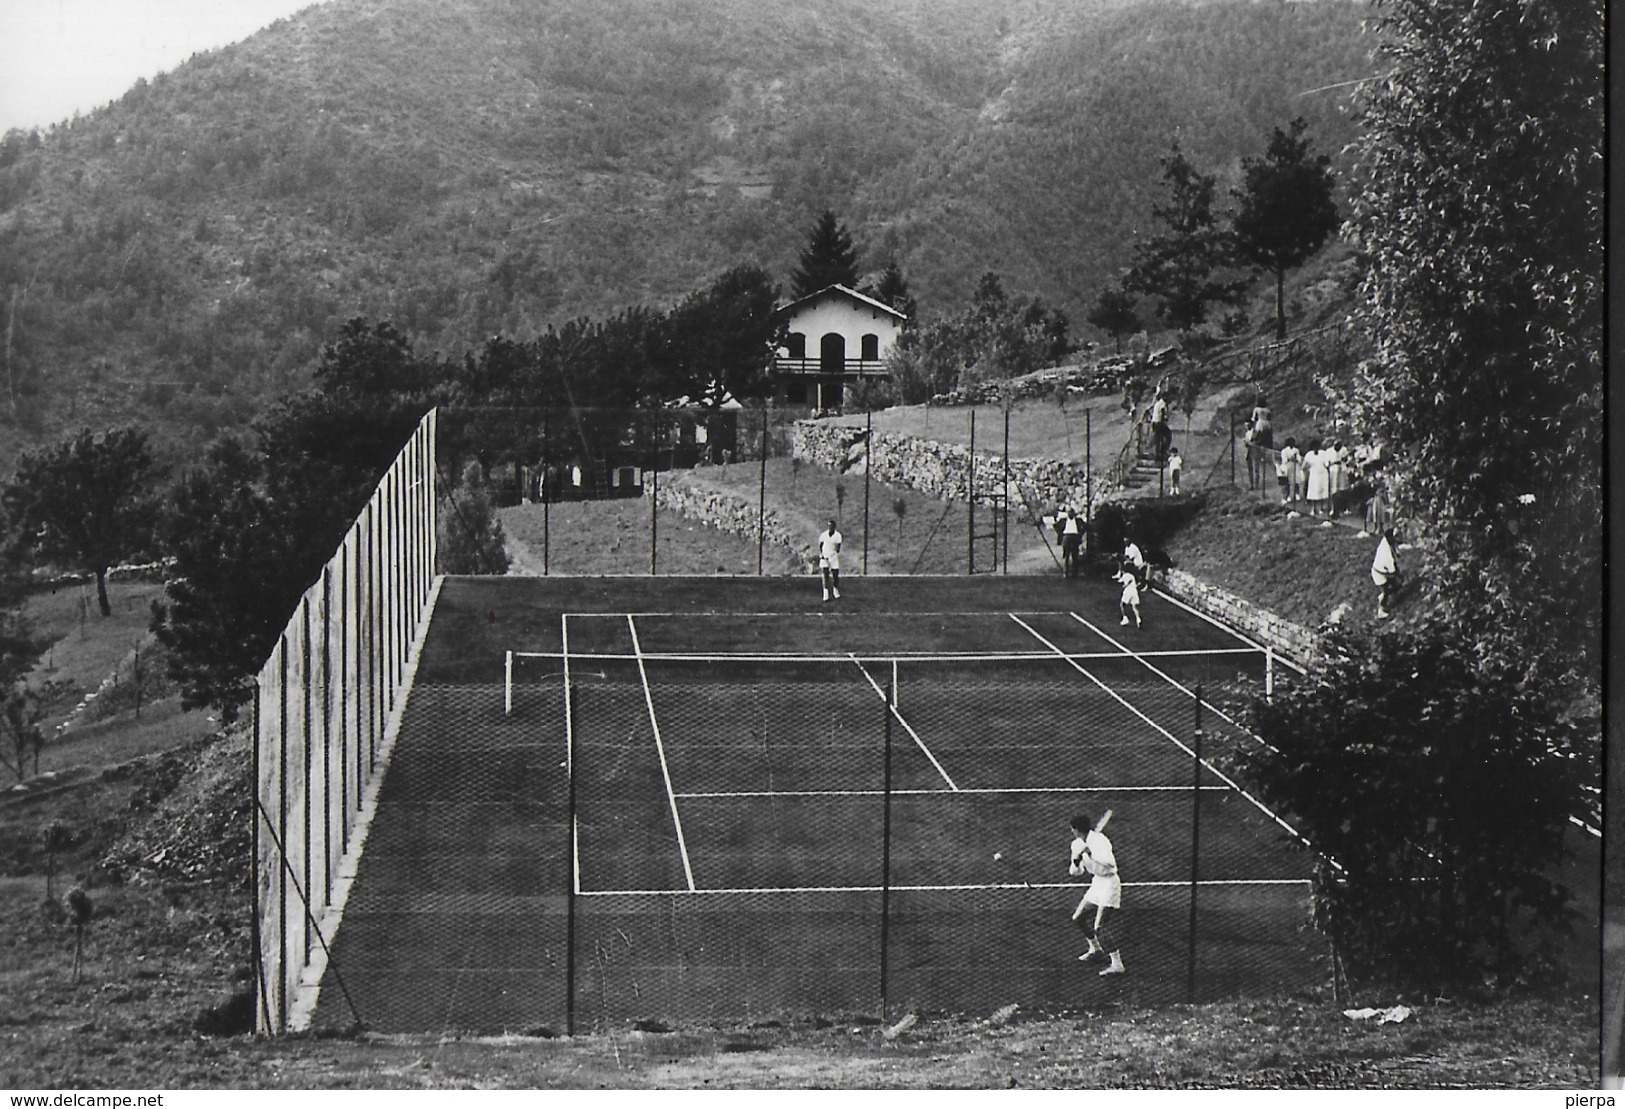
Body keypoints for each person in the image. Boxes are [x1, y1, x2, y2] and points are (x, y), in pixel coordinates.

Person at [1069, 812, 1125, 976]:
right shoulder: (1076, 845)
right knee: (1078, 918)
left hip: (1109, 884)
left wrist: (1091, 853)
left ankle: (1117, 965)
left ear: (1076, 829)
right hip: (1097, 883)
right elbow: (1075, 873)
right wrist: (1076, 861)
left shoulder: (1100, 841)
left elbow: (1110, 863)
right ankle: (1095, 949)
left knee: (1100, 927)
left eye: (1072, 829)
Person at [1371, 528, 1398, 618]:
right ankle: (1381, 610)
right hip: (1379, 574)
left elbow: (1393, 547)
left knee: (1395, 585)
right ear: (1389, 538)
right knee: (1386, 591)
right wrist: (1398, 575)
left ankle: (1384, 594)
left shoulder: (1385, 541)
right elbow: (1393, 571)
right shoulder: (1387, 555)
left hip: (1382, 569)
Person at [817, 518, 843, 602]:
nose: (830, 528)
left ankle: (836, 591)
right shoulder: (823, 535)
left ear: (834, 527)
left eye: (831, 526)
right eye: (829, 526)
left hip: (833, 557)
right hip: (824, 557)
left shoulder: (838, 536)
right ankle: (826, 594)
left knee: (835, 574)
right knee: (825, 574)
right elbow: (820, 545)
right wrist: (823, 555)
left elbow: (838, 549)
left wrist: (831, 554)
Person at [1149, 386, 1172, 464]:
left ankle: (1158, 454)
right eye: (1168, 397)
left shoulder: (1158, 403)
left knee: (1158, 440)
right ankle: (1162, 451)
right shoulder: (1163, 404)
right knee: (1168, 435)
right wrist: (1166, 416)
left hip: (1154, 422)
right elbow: (1164, 414)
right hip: (1159, 423)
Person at [1278, 437, 1302, 506]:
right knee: (1287, 482)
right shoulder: (1284, 451)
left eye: (1293, 443)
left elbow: (1298, 459)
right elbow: (1284, 460)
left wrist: (1296, 460)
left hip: (1295, 466)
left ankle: (1296, 494)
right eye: (1290, 443)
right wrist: (1290, 459)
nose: (1292, 444)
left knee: (1296, 480)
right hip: (1287, 467)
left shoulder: (1296, 450)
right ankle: (1287, 496)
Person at [1059, 507, 1082, 578]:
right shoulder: (1064, 520)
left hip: (1075, 536)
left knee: (1075, 555)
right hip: (1067, 536)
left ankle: (1075, 572)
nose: (1070, 514)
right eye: (1069, 513)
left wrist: (1080, 534)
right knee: (1066, 555)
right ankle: (1066, 572)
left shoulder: (1078, 521)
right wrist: (1061, 534)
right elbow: (1057, 526)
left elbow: (1084, 526)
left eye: (1072, 513)